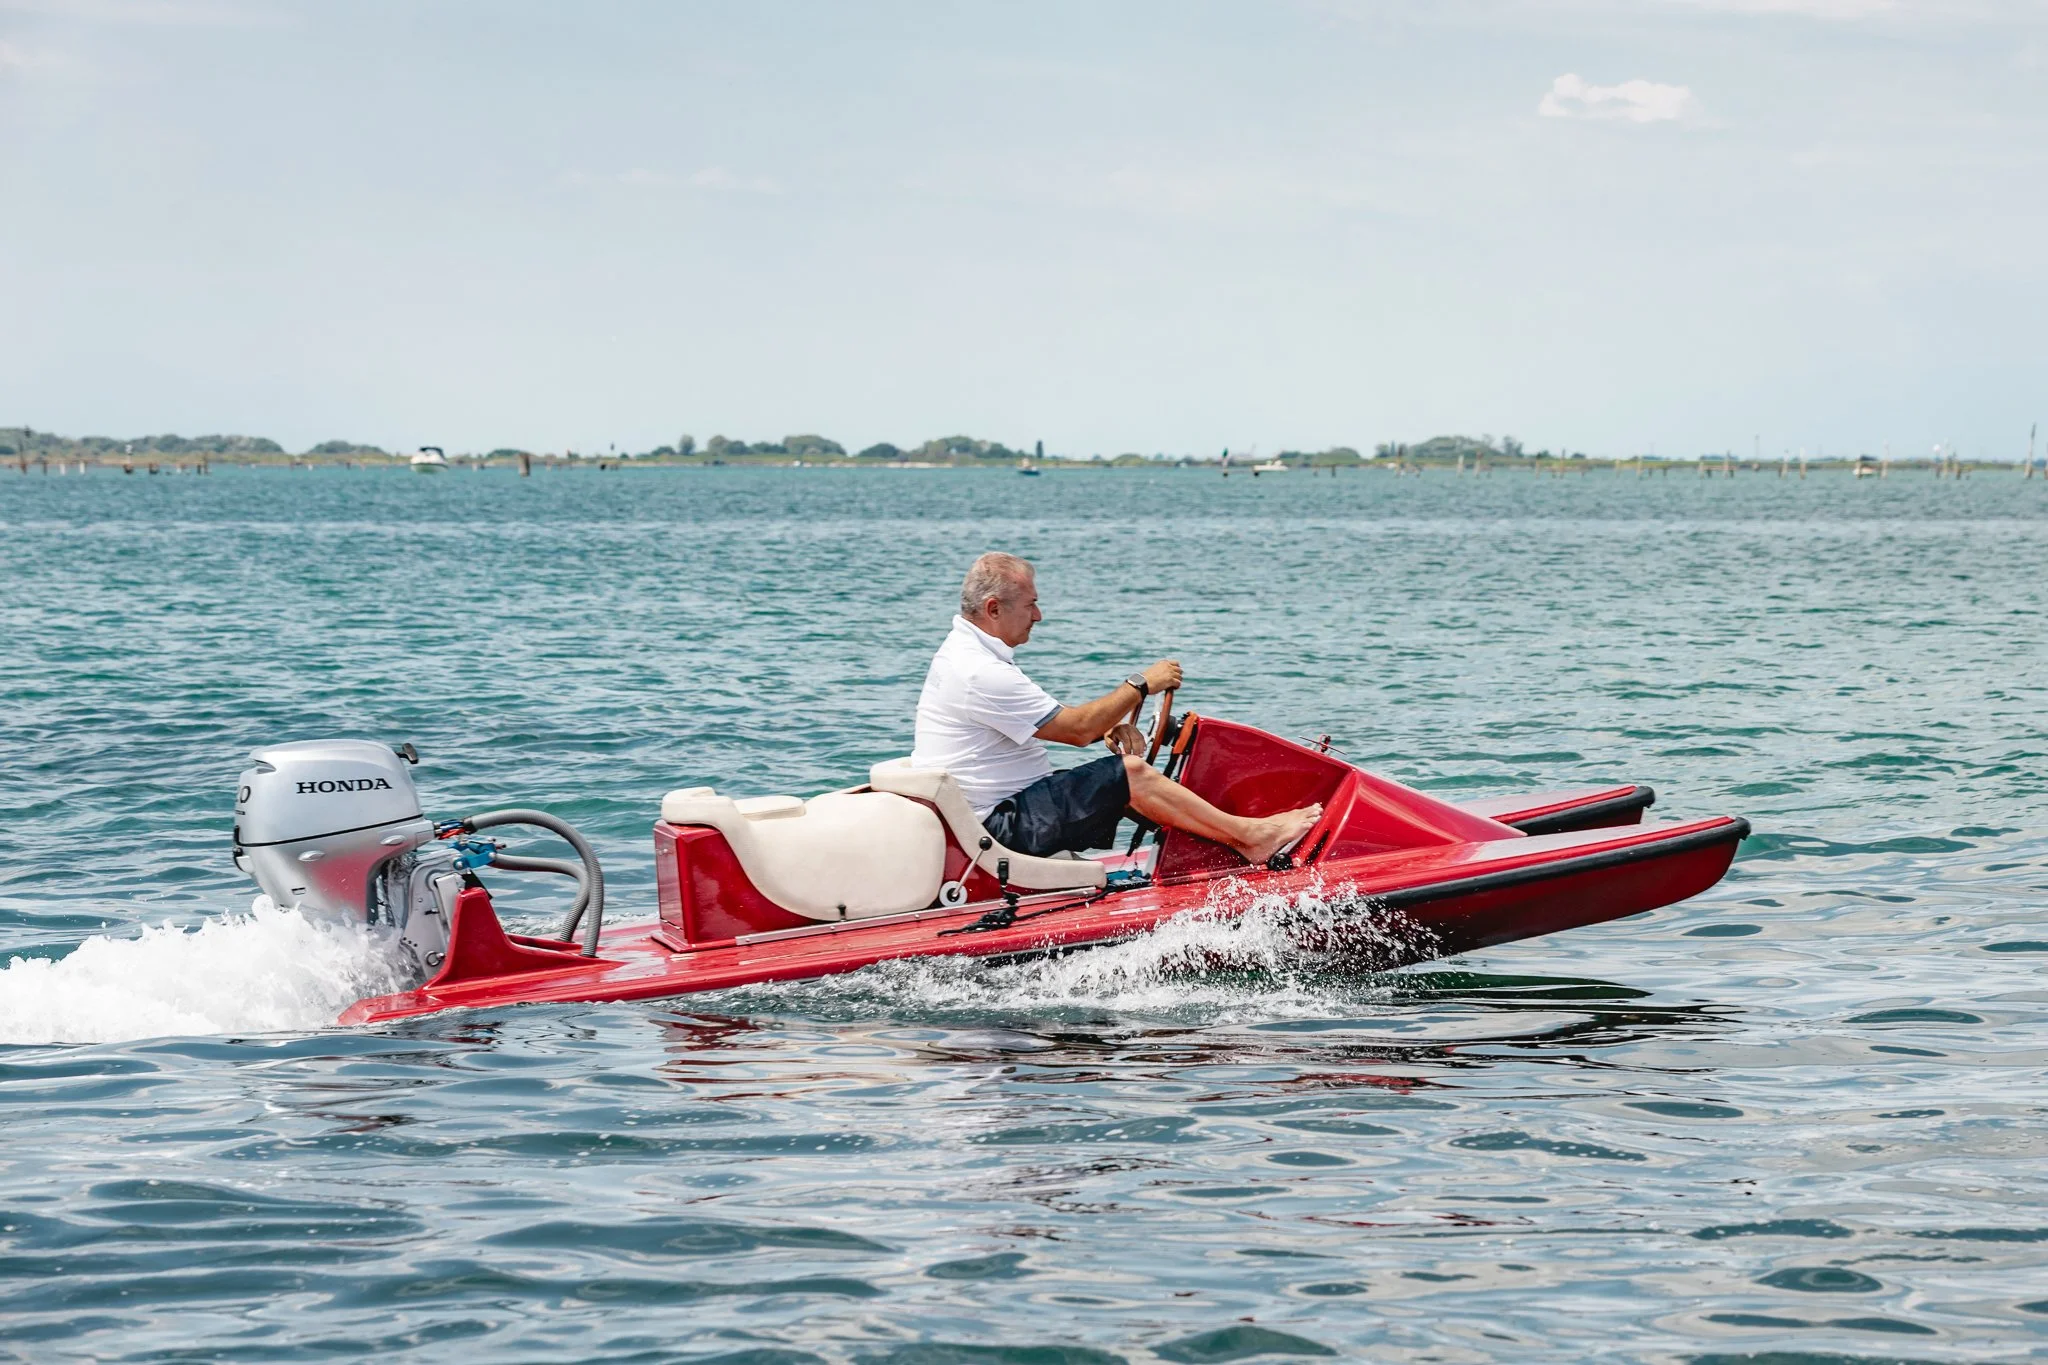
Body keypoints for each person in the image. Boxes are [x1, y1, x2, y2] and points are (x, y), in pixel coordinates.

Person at [910, 552, 1322, 866]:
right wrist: (1142, 684)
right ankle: (1251, 838)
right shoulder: (979, 670)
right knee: (1130, 774)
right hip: (996, 825)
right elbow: (1076, 730)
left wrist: (1105, 730)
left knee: (1120, 783)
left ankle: (1218, 847)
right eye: (1030, 605)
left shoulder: (966, 654)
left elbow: (1059, 725)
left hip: (992, 809)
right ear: (994, 608)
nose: (1039, 615)